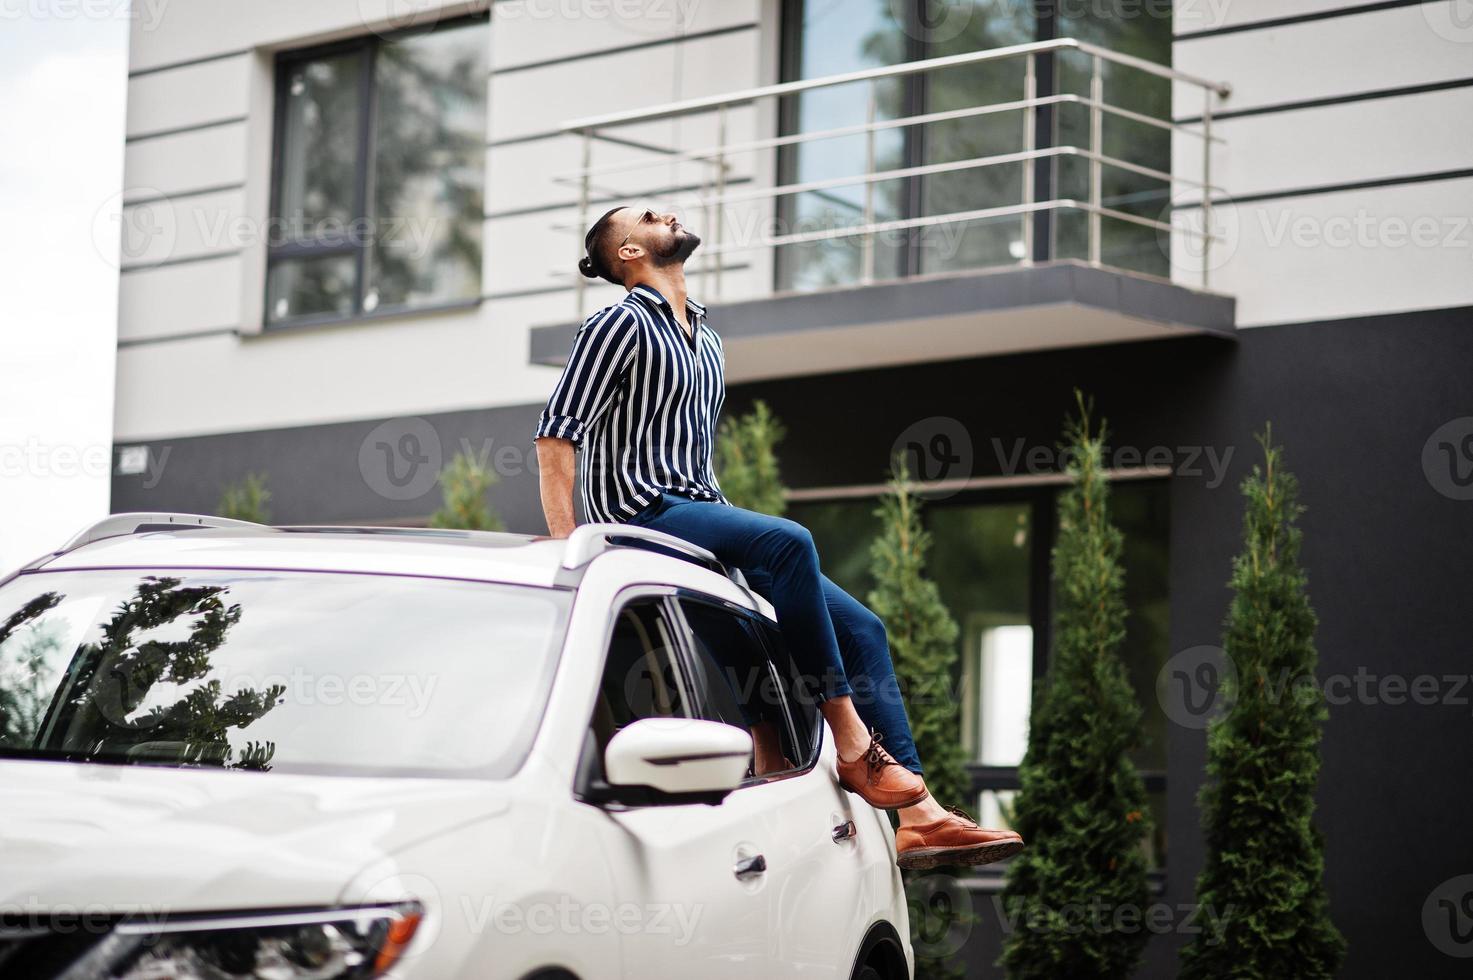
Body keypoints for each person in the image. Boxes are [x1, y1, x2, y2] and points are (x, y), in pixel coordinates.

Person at [533, 205, 1023, 870]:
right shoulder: (616, 323)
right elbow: (557, 433)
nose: (665, 213)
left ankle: (918, 817)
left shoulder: (705, 336)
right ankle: (853, 745)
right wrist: (571, 546)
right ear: (625, 253)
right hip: (641, 512)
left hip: (700, 509)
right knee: (787, 542)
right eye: (646, 216)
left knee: (862, 630)